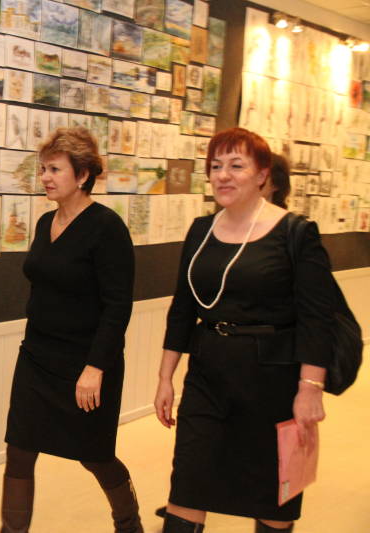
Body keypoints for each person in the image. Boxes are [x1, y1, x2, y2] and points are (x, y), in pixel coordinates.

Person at [154, 128, 333, 533]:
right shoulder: (200, 230)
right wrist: (166, 377)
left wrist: (310, 388)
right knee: (187, 487)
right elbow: (182, 308)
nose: (223, 175)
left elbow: (316, 319)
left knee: (272, 501)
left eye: (236, 166)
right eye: (216, 166)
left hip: (273, 383)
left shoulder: (295, 232)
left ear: (262, 174)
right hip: (207, 376)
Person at [1, 127, 142, 533]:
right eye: (43, 169)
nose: (45, 177)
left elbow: (117, 306)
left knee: (94, 455)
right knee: (19, 451)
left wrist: (95, 367)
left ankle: (129, 524)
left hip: (86, 362)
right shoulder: (45, 222)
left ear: (82, 175)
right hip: (36, 358)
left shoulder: (107, 227)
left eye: (55, 169)